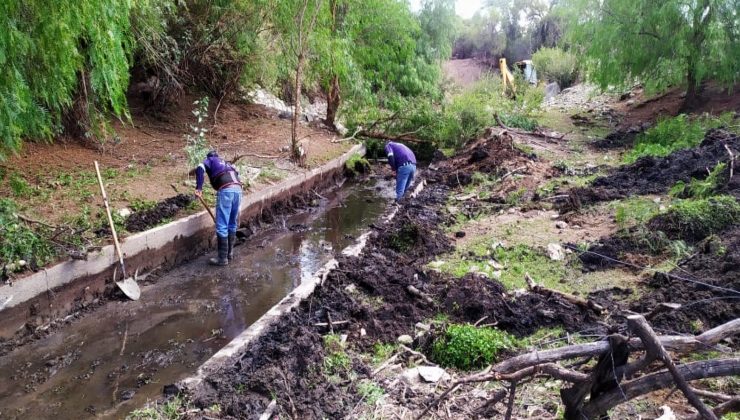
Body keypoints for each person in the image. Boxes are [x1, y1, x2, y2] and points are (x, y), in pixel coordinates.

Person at [195, 150, 243, 266]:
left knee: (222, 225)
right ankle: (229, 254)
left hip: (226, 190)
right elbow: (237, 173)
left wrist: (199, 188)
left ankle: (222, 259)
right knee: (232, 223)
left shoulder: (210, 160)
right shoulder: (227, 164)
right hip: (238, 190)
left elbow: (200, 168)